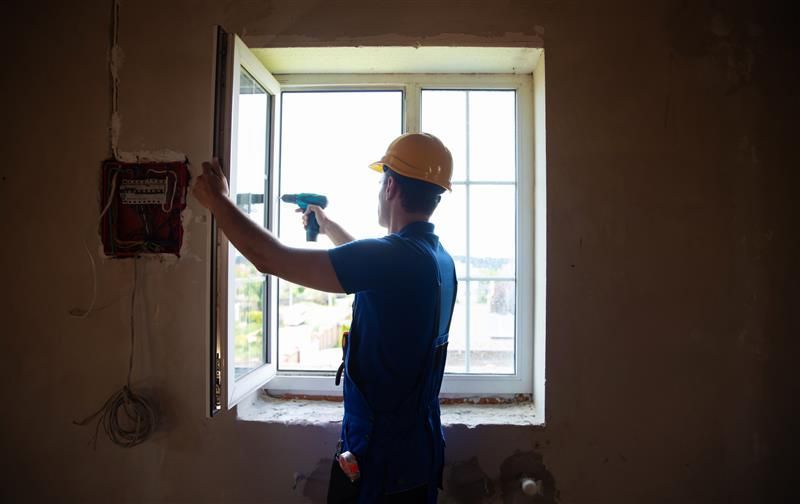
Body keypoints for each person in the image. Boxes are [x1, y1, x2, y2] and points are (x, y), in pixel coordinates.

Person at [193, 133, 457, 504]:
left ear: (391, 186)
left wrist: (217, 201)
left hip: (384, 463)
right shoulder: (434, 257)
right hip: (415, 452)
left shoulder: (396, 258)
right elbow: (369, 267)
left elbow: (271, 258)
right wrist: (326, 224)